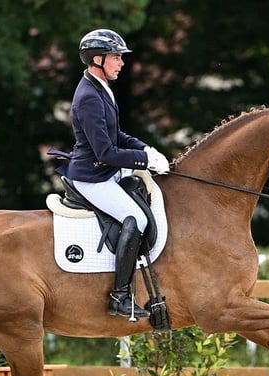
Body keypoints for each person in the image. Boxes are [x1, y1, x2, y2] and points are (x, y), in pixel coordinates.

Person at [68, 29, 170, 319]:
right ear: (97, 59)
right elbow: (105, 152)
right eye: (116, 57)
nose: (121, 63)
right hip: (92, 176)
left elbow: (117, 134)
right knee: (136, 219)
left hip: (104, 172)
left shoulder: (100, 87)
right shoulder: (89, 96)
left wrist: (146, 148)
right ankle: (119, 296)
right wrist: (144, 159)